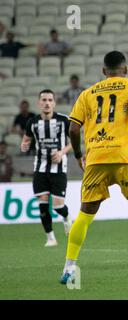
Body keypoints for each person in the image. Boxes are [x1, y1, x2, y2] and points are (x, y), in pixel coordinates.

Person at [59, 51, 128, 284]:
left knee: (85, 214)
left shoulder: (87, 94)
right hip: (123, 156)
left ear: (104, 71)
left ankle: (69, 267)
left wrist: (79, 155)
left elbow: (73, 129)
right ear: (125, 69)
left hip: (95, 159)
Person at [20, 90, 73, 247]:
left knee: (57, 206)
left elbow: (75, 141)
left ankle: (67, 217)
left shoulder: (64, 120)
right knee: (42, 205)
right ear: (39, 103)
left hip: (59, 169)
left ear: (54, 103)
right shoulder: (32, 122)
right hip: (40, 169)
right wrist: (24, 146)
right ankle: (50, 238)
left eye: (50, 100)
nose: (47, 103)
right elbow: (26, 141)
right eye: (44, 100)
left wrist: (62, 152)